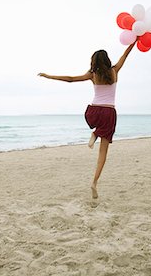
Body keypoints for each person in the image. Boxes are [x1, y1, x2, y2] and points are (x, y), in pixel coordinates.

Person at [38, 41, 136, 199]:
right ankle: (94, 182)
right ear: (107, 60)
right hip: (109, 112)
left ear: (94, 62)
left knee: (96, 123)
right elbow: (126, 54)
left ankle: (95, 132)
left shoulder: (92, 74)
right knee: (103, 152)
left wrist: (49, 76)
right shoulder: (114, 71)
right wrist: (135, 40)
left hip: (94, 112)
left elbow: (70, 79)